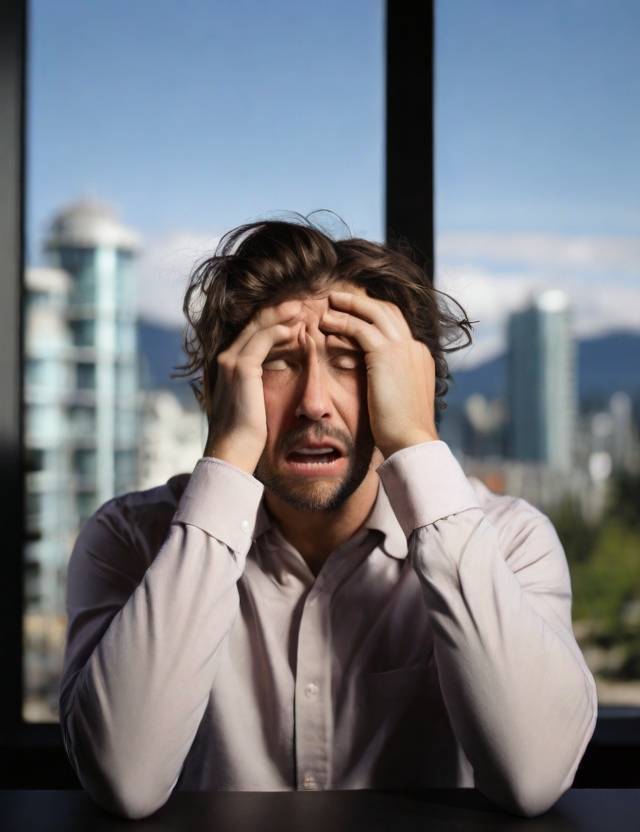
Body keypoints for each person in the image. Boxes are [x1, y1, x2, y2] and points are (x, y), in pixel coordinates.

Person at [58, 215, 597, 820]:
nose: (315, 403)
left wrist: (417, 441)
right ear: (219, 388)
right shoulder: (129, 540)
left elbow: (535, 777)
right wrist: (229, 454)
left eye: (349, 361)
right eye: (278, 361)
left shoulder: (511, 540)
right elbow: (122, 779)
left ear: (409, 383)